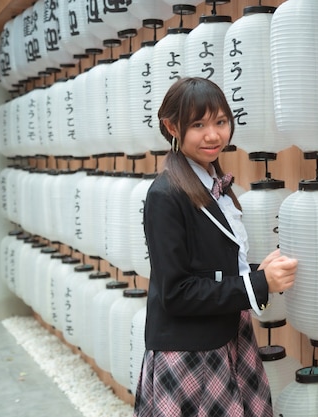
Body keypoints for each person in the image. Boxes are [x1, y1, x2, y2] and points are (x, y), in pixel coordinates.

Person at [134, 77, 297, 417]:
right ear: (172, 126)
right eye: (198, 124)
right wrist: (257, 284)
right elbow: (176, 292)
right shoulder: (165, 196)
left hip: (225, 337)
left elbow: (210, 269)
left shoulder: (211, 183)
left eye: (221, 122)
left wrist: (256, 273)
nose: (213, 135)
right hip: (189, 354)